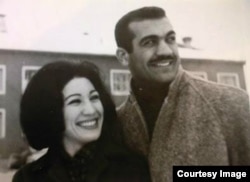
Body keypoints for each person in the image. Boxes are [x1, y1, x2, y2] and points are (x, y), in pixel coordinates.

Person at [114, 6, 250, 182]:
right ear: (123, 56)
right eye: (149, 42)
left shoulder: (231, 104)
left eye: (170, 39)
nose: (166, 51)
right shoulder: (117, 123)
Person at [13, 61, 150, 182]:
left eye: (94, 98)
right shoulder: (27, 178)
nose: (91, 110)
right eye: (75, 101)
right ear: (52, 111)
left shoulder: (131, 169)